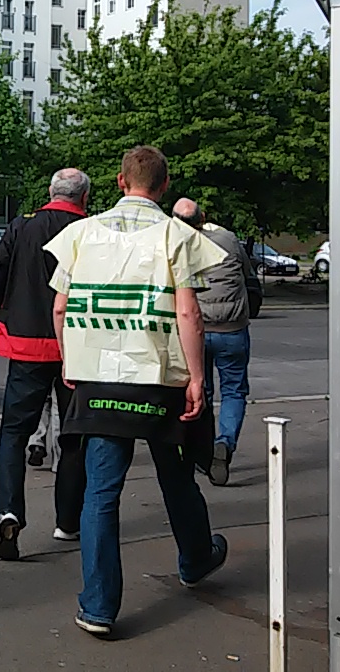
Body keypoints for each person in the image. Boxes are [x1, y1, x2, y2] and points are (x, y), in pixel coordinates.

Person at [45, 147, 229, 636]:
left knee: (101, 494)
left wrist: (70, 359)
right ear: (164, 186)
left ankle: (99, 606)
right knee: (176, 476)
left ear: (121, 181)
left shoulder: (81, 235)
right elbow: (189, 313)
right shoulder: (176, 235)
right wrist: (196, 378)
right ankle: (195, 557)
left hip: (100, 376)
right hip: (158, 378)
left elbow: (61, 306)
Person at [0, 168, 90, 560]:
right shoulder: (90, 231)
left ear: (50, 192)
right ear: (85, 197)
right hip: (76, 347)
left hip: (26, 344)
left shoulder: (21, 227)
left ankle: (8, 511)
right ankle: (68, 521)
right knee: (73, 436)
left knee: (14, 433)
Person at [172, 198, 259, 486]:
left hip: (195, 329)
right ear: (203, 216)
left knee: (201, 392)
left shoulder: (173, 245)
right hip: (232, 328)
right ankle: (226, 443)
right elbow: (247, 273)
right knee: (234, 390)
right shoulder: (227, 238)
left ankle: (204, 451)